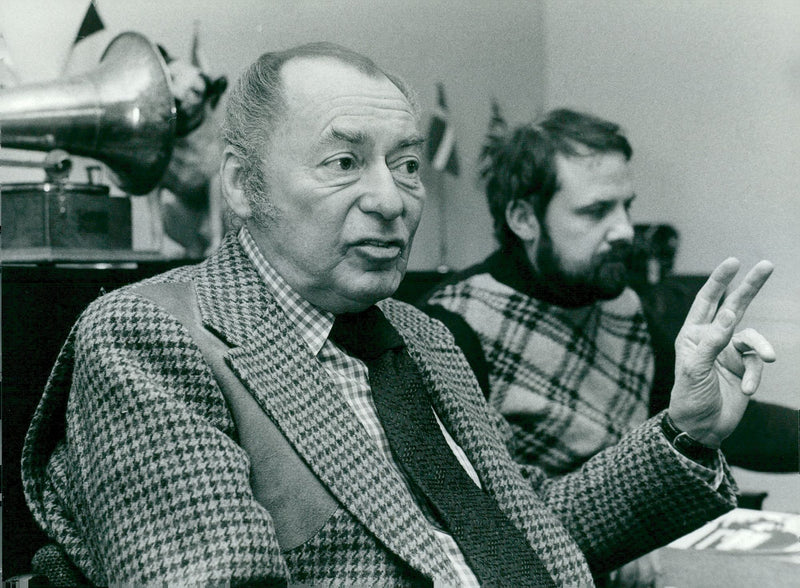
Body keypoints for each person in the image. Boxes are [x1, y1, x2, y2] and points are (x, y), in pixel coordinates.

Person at [22, 44, 776, 587]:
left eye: (407, 163)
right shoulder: (151, 335)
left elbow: (522, 537)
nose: (392, 199)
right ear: (244, 185)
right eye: (344, 162)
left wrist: (686, 432)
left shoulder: (423, 337)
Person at [419, 108, 797, 585]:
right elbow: (484, 514)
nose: (623, 230)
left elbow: (722, 423)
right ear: (522, 218)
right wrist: (612, 537)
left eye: (626, 207)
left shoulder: (623, 304)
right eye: (596, 211)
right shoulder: (449, 327)